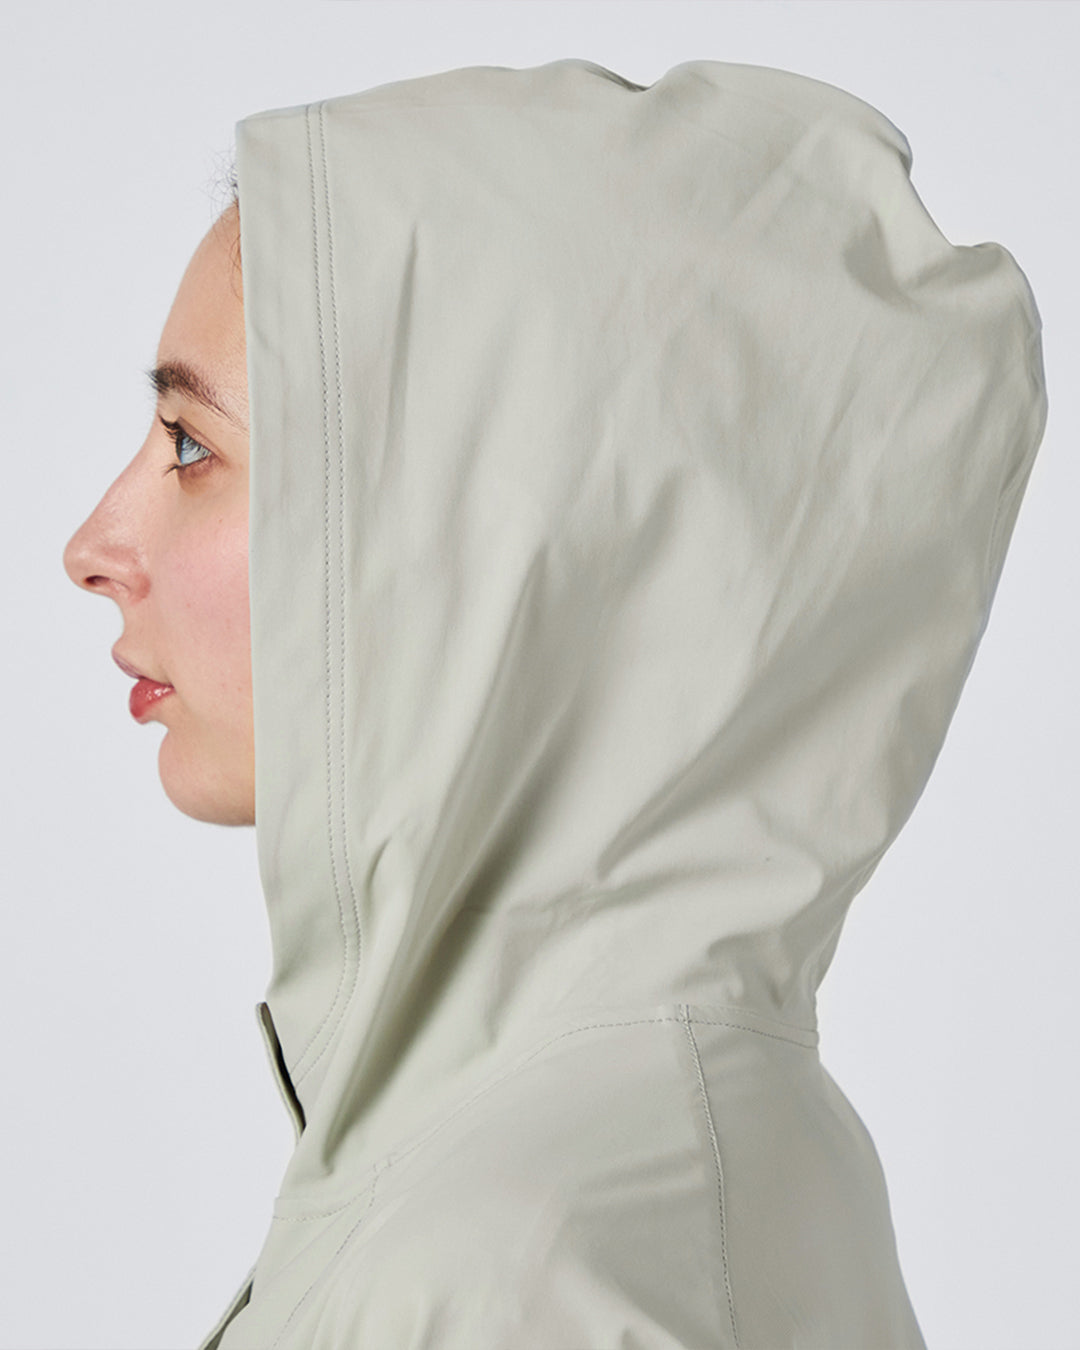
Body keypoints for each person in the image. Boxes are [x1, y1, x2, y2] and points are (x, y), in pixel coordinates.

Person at [63, 57, 1047, 1350]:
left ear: (489, 535)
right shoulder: (622, 1153)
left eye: (194, 446)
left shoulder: (517, 1277)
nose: (92, 545)